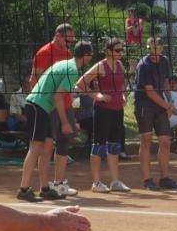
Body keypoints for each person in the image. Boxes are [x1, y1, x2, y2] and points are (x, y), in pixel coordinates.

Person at [17, 42, 94, 202]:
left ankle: (45, 188)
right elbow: (58, 97)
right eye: (91, 55)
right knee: (35, 148)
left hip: (42, 107)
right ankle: (23, 189)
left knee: (47, 147)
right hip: (38, 106)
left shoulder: (65, 64)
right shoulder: (72, 70)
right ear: (86, 55)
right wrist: (65, 123)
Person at [27, 23, 78, 197]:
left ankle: (59, 183)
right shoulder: (44, 53)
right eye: (67, 40)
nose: (69, 44)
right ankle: (44, 186)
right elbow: (34, 82)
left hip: (65, 104)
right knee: (45, 146)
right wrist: (44, 105)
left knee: (65, 140)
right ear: (57, 36)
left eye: (71, 41)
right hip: (48, 105)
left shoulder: (67, 53)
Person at [81, 38, 130, 193]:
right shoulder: (100, 66)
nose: (120, 53)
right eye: (117, 50)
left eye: (121, 50)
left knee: (114, 146)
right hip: (102, 110)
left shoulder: (120, 65)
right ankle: (96, 183)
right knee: (99, 145)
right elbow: (81, 83)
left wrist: (123, 96)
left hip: (117, 110)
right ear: (108, 51)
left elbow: (121, 85)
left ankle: (115, 181)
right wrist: (97, 96)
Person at [133, 36, 177, 190]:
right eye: (149, 48)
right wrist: (167, 106)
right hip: (144, 104)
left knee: (165, 140)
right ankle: (147, 179)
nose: (151, 51)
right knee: (146, 140)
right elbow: (150, 92)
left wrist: (169, 99)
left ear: (161, 49)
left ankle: (164, 178)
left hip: (160, 103)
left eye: (154, 48)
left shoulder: (164, 61)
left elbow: (165, 82)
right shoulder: (143, 65)